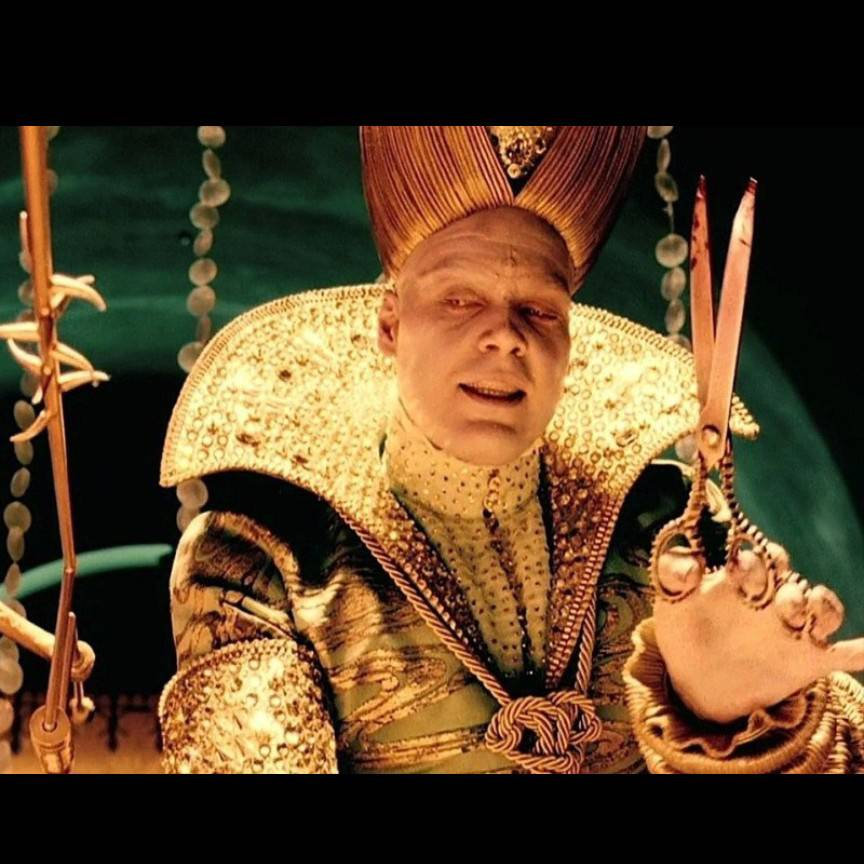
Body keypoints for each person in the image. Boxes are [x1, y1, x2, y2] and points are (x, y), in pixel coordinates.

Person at [157, 126, 864, 774]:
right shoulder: (260, 560)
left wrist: (732, 726)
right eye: (460, 300)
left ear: (569, 345)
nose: (505, 336)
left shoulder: (669, 532)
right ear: (390, 326)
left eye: (538, 310)